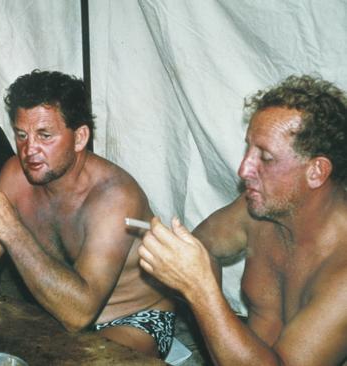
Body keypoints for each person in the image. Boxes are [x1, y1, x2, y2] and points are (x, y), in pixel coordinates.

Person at [0, 70, 175, 358]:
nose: (29, 150)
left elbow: (79, 314)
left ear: (80, 137)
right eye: (22, 135)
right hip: (57, 310)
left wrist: (10, 228)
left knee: (71, 360)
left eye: (45, 135)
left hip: (135, 320)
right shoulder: (15, 175)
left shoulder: (114, 196)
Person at [139, 75, 347, 365]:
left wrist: (201, 290)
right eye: (248, 148)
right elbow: (197, 249)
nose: (243, 169)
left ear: (317, 171)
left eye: (265, 157)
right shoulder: (258, 212)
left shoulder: (342, 272)